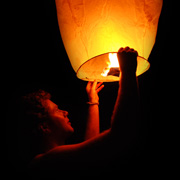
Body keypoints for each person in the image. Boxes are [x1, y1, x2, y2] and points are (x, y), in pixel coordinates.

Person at [20, 47, 140, 177]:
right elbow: (120, 135)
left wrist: (93, 101)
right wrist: (128, 72)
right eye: (56, 110)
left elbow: (91, 154)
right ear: (43, 126)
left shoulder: (50, 162)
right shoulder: (44, 163)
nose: (65, 112)